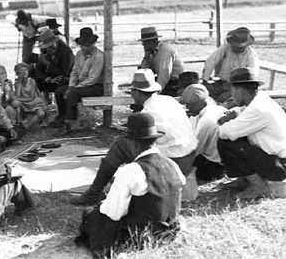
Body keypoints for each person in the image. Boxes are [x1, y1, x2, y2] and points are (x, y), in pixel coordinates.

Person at [71, 69, 196, 206]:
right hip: (188, 155)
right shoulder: (168, 100)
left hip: (172, 160)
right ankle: (110, 180)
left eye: (132, 91)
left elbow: (146, 142)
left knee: (120, 145)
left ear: (136, 92)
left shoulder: (149, 112)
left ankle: (94, 193)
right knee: (127, 144)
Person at [74, 113, 185, 259]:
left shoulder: (132, 170)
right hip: (169, 231)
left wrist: (103, 203)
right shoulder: (172, 164)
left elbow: (113, 213)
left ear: (133, 143)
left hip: (140, 237)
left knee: (90, 213)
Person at [217, 67, 286, 199]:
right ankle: (245, 180)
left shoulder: (258, 109)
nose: (231, 95)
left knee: (226, 142)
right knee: (236, 139)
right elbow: (243, 111)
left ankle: (258, 185)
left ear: (241, 90)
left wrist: (225, 121)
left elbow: (224, 132)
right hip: (277, 160)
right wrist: (235, 113)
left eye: (232, 91)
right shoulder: (260, 100)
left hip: (281, 166)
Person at [53, 27, 104, 136]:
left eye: (88, 45)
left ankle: (68, 124)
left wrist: (74, 88)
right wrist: (71, 86)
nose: (85, 47)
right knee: (60, 91)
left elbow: (92, 79)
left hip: (96, 86)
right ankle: (62, 117)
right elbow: (74, 72)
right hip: (82, 84)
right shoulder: (79, 54)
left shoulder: (99, 56)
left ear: (93, 44)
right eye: (83, 45)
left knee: (73, 93)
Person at [179, 84, 226, 181]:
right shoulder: (216, 108)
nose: (187, 108)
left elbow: (194, 150)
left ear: (198, 103)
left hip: (214, 164)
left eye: (189, 105)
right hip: (218, 157)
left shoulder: (206, 120)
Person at [202, 27, 259, 105]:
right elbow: (211, 61)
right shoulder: (226, 47)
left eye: (239, 46)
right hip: (222, 83)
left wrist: (231, 91)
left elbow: (252, 75)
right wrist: (205, 81)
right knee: (205, 94)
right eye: (234, 45)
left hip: (241, 86)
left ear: (245, 45)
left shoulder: (251, 55)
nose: (235, 47)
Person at [34, 28, 74, 106]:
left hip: (65, 79)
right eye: (47, 47)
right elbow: (38, 69)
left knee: (61, 86)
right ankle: (39, 106)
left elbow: (64, 72)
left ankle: (62, 112)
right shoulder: (46, 51)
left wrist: (47, 63)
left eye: (51, 46)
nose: (49, 49)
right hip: (50, 78)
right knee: (34, 81)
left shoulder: (66, 52)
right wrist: (47, 79)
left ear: (56, 42)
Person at [139, 27, 184, 97]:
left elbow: (165, 74)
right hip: (163, 83)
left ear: (151, 41)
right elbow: (144, 72)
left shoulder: (165, 51)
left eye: (144, 43)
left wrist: (156, 93)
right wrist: (146, 58)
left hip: (174, 85)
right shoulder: (152, 52)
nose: (143, 45)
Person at [11, 62, 47, 130]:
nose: (24, 72)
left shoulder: (31, 81)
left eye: (25, 70)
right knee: (15, 103)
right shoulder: (17, 83)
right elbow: (18, 95)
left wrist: (18, 98)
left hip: (34, 102)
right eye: (21, 70)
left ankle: (26, 126)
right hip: (24, 103)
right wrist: (20, 82)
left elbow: (31, 97)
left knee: (41, 114)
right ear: (17, 73)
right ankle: (18, 122)